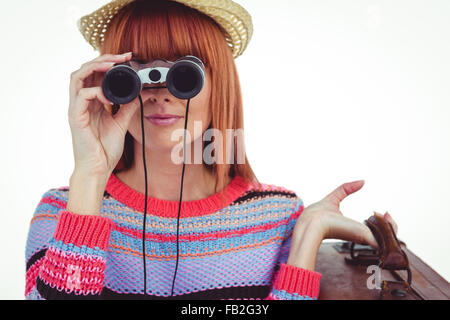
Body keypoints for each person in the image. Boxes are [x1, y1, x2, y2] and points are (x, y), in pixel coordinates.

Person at [25, 0, 397, 300]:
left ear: (218, 82)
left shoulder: (278, 218)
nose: (161, 93)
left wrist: (306, 237)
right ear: (111, 84)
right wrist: (90, 176)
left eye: (184, 74)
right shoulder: (62, 212)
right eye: (136, 72)